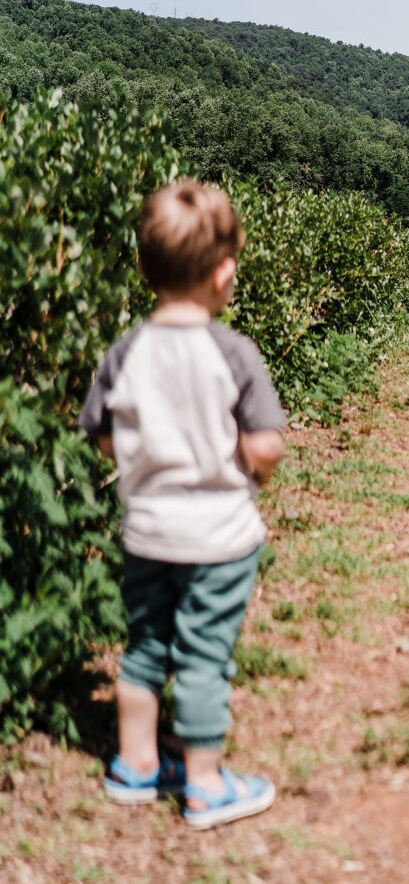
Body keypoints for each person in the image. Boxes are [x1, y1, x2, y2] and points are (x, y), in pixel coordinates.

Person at [80, 180, 286, 829]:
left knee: (144, 646)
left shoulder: (126, 350)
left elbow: (105, 436)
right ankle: (203, 784)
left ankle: (137, 766)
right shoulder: (232, 353)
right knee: (203, 655)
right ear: (225, 274)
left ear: (145, 269)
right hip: (218, 537)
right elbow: (264, 445)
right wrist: (254, 466)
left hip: (146, 531)